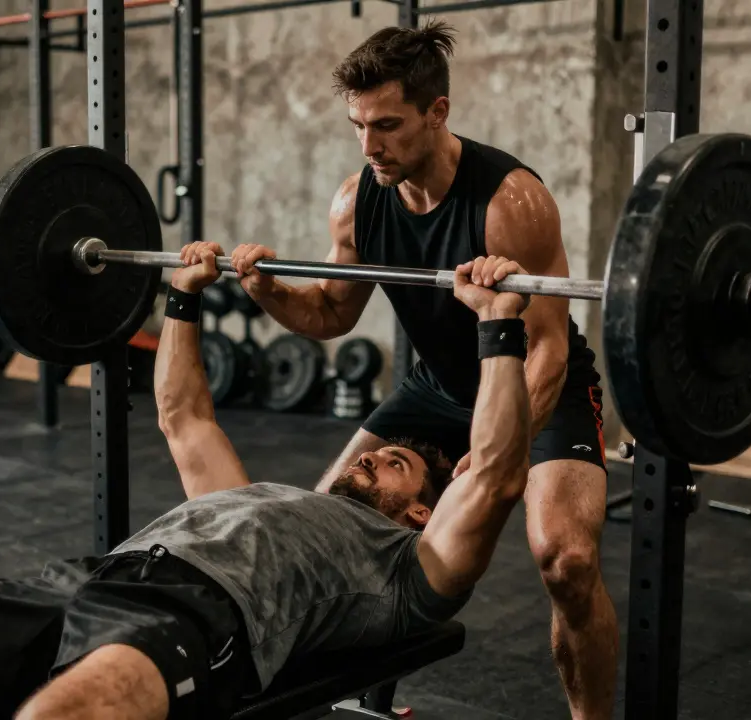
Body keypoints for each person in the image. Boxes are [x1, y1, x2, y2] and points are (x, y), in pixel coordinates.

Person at [0, 247, 538, 720]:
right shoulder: (255, 498)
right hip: (82, 581)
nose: (366, 457)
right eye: (374, 453)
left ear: (418, 511)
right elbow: (183, 416)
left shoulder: (405, 571)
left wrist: (498, 321)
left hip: (195, 621)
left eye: (391, 465)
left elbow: (498, 476)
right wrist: (183, 296)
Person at [223, 22, 615, 720]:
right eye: (358, 126)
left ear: (438, 113)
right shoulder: (359, 200)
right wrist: (266, 290)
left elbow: (549, 346)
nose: (370, 145)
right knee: (321, 522)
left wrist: (498, 456)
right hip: (437, 388)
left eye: (388, 125)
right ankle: (371, 700)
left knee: (567, 560)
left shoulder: (509, 201)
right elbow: (332, 314)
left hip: (532, 385)